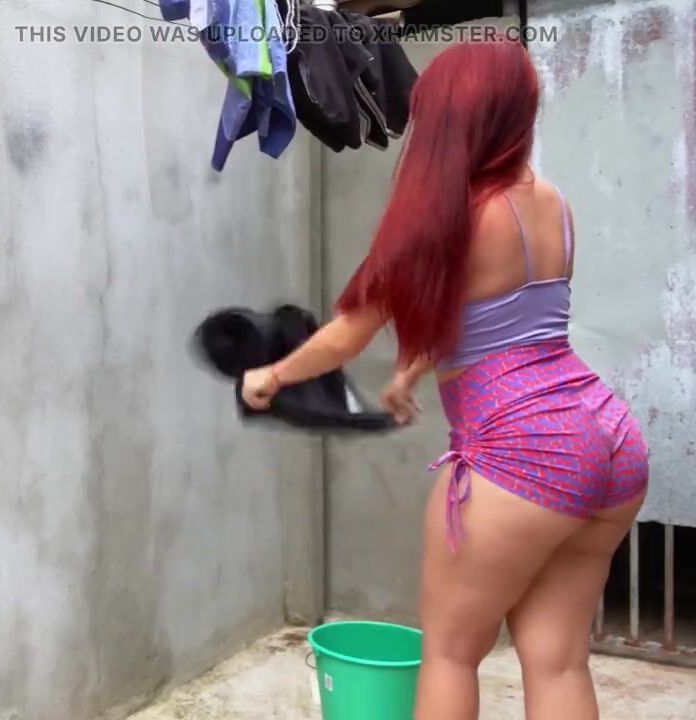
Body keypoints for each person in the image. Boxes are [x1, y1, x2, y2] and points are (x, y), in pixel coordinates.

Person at [240, 40, 648, 720]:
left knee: (451, 654)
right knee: (557, 660)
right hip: (608, 438)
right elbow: (504, 317)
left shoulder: (447, 219)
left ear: (444, 116)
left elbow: (348, 333)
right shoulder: (553, 204)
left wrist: (272, 376)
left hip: (525, 451)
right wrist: (414, 369)